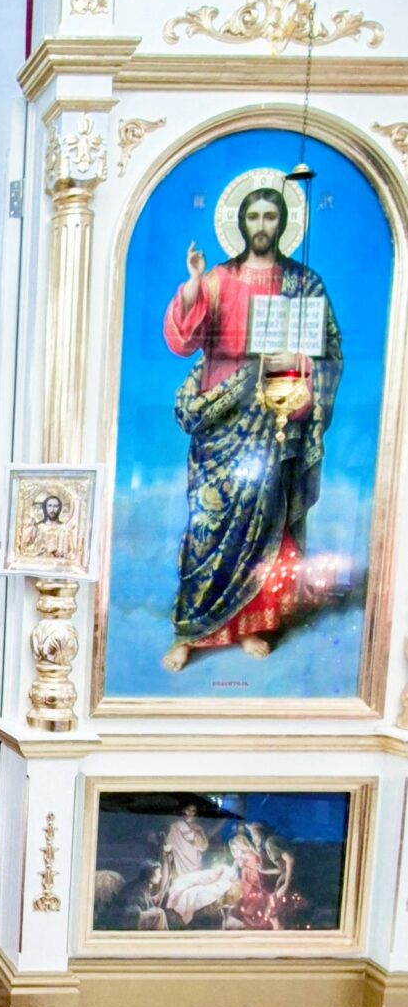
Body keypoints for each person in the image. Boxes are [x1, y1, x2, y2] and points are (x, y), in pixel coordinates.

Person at [161, 181, 341, 672]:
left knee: (263, 524)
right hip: (221, 414)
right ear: (240, 222)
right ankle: (190, 629)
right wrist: (194, 283)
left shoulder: (304, 283)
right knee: (207, 523)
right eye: (254, 216)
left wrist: (298, 363)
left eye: (271, 216)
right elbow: (182, 340)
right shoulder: (218, 279)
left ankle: (250, 626)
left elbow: (327, 352)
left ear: (283, 223)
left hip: (273, 415)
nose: (262, 225)